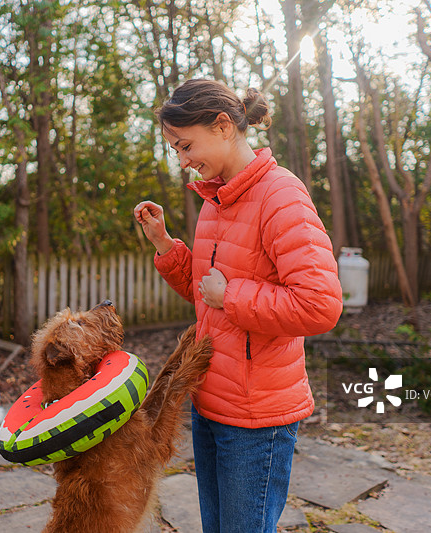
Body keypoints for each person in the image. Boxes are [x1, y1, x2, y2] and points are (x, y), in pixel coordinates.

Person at [133, 79, 343, 533]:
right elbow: (206, 292)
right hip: (211, 400)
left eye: (186, 145)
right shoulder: (217, 198)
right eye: (176, 149)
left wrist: (230, 296)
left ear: (224, 125)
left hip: (256, 417)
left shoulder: (281, 195)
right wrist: (166, 246)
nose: (184, 160)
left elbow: (319, 305)